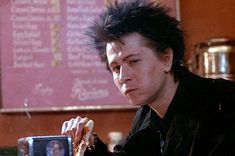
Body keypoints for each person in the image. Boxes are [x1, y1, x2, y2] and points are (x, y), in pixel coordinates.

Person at [61, 0, 235, 155]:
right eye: (116, 68)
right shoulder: (146, 115)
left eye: (134, 61)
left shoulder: (223, 103)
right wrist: (90, 144)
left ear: (166, 59)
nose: (123, 76)